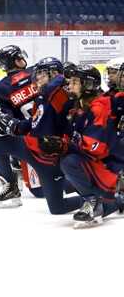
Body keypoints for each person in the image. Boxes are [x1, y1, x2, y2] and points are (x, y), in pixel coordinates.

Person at [0, 57, 84, 215]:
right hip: (33, 148)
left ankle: (98, 198)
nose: (36, 78)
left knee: (57, 208)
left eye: (41, 74)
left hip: (50, 158)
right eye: (37, 74)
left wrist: (16, 127)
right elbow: (36, 122)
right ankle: (11, 188)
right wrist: (14, 125)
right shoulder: (43, 95)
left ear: (54, 74)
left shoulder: (60, 94)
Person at [61, 65, 124, 228]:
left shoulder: (99, 107)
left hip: (108, 166)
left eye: (75, 82)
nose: (70, 86)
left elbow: (96, 148)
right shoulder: (80, 105)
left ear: (88, 85)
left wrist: (64, 146)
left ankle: (93, 201)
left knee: (69, 162)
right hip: (98, 161)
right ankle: (114, 201)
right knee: (64, 172)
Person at [0, 45, 42, 207]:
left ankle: (11, 182)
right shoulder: (38, 71)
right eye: (19, 58)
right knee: (40, 191)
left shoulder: (0, 88)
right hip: (56, 134)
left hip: (32, 142)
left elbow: (1, 124)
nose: (22, 60)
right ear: (15, 61)